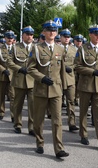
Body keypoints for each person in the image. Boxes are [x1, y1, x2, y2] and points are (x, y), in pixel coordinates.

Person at [27, 20, 69, 158]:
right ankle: (40, 142)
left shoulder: (60, 49)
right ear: (44, 32)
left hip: (56, 89)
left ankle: (59, 149)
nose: (52, 32)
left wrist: (65, 87)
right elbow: (30, 68)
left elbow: (62, 70)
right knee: (39, 120)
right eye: (49, 30)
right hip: (40, 89)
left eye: (54, 30)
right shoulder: (36, 48)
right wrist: (41, 77)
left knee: (57, 120)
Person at [73, 25, 98, 150]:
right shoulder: (83, 49)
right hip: (85, 85)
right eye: (95, 34)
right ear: (90, 35)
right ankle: (83, 134)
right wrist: (93, 72)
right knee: (84, 111)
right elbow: (77, 67)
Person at [7, 26, 35, 135]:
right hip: (19, 80)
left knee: (32, 105)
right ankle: (18, 124)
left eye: (31, 34)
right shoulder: (15, 47)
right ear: (22, 35)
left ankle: (31, 127)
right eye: (27, 34)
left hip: (32, 81)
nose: (29, 36)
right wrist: (19, 69)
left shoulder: (36, 48)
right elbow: (9, 62)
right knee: (18, 104)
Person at [58, 28, 79, 132]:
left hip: (70, 78)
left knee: (71, 101)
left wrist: (73, 67)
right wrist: (62, 67)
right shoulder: (56, 48)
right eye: (64, 37)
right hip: (58, 79)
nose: (66, 39)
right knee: (57, 102)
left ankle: (72, 123)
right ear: (60, 37)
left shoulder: (74, 50)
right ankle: (57, 122)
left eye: (68, 37)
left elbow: (77, 62)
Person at [0, 31, 15, 121]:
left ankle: (14, 115)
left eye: (11, 38)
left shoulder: (16, 48)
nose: (10, 39)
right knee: (0, 95)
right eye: (8, 37)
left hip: (13, 76)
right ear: (5, 38)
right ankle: (1, 112)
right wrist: (3, 70)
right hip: (2, 76)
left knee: (13, 96)